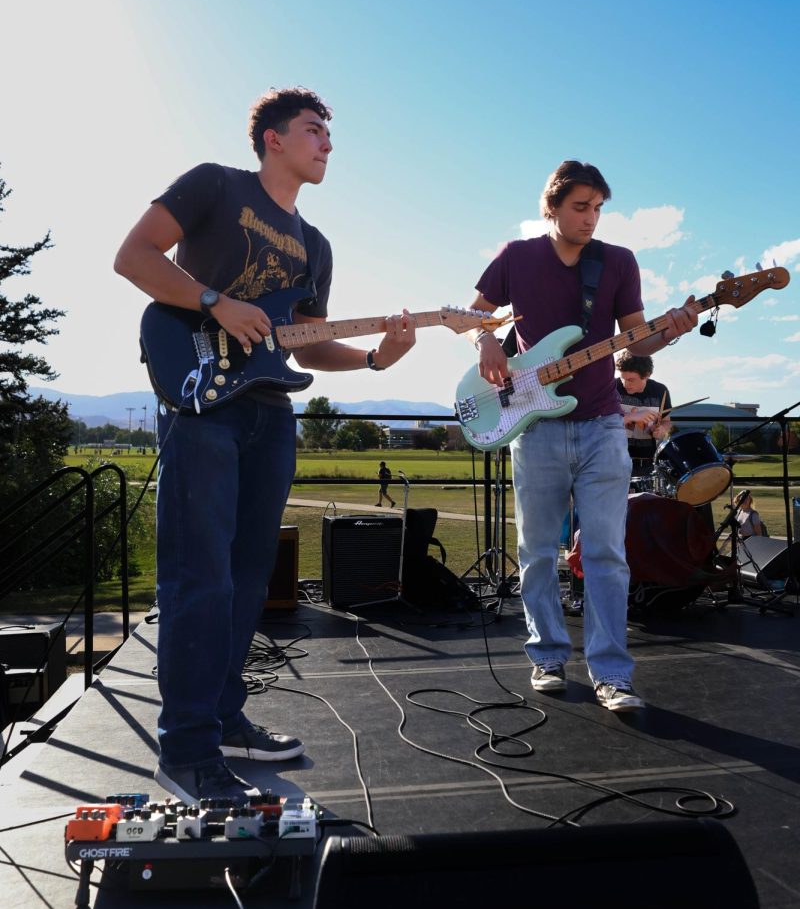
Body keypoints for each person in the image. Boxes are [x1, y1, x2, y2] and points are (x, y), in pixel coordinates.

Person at [114, 87, 416, 804]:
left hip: (270, 414)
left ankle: (223, 717)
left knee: (250, 579)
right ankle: (185, 753)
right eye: (315, 130)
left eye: (330, 134)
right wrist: (218, 301)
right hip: (201, 404)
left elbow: (306, 342)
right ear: (273, 139)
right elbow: (133, 256)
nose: (327, 144)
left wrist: (379, 358)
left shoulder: (317, 246)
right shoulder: (215, 185)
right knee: (199, 577)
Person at [465, 159, 697, 711]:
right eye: (580, 207)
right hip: (536, 426)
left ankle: (613, 673)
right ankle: (547, 656)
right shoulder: (517, 257)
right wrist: (487, 343)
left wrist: (673, 328)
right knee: (538, 552)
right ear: (551, 206)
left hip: (600, 427)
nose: (591, 218)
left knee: (607, 555)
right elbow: (473, 314)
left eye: (598, 208)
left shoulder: (617, 262)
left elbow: (637, 340)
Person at [614, 351, 672, 481]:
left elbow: (667, 421)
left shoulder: (660, 390)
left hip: (647, 463)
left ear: (647, 375)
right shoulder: (612, 388)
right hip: (614, 460)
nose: (625, 384)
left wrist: (662, 429)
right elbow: (602, 422)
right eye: (622, 378)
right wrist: (632, 416)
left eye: (631, 380)